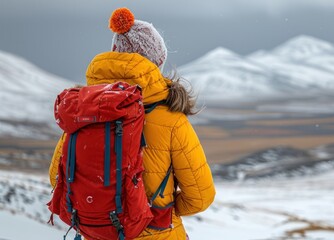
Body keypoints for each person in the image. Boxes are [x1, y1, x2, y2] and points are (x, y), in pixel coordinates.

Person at [48, 7, 216, 239]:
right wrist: (157, 211)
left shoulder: (86, 112)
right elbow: (200, 196)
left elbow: (56, 177)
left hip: (98, 233)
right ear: (156, 62)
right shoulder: (170, 119)